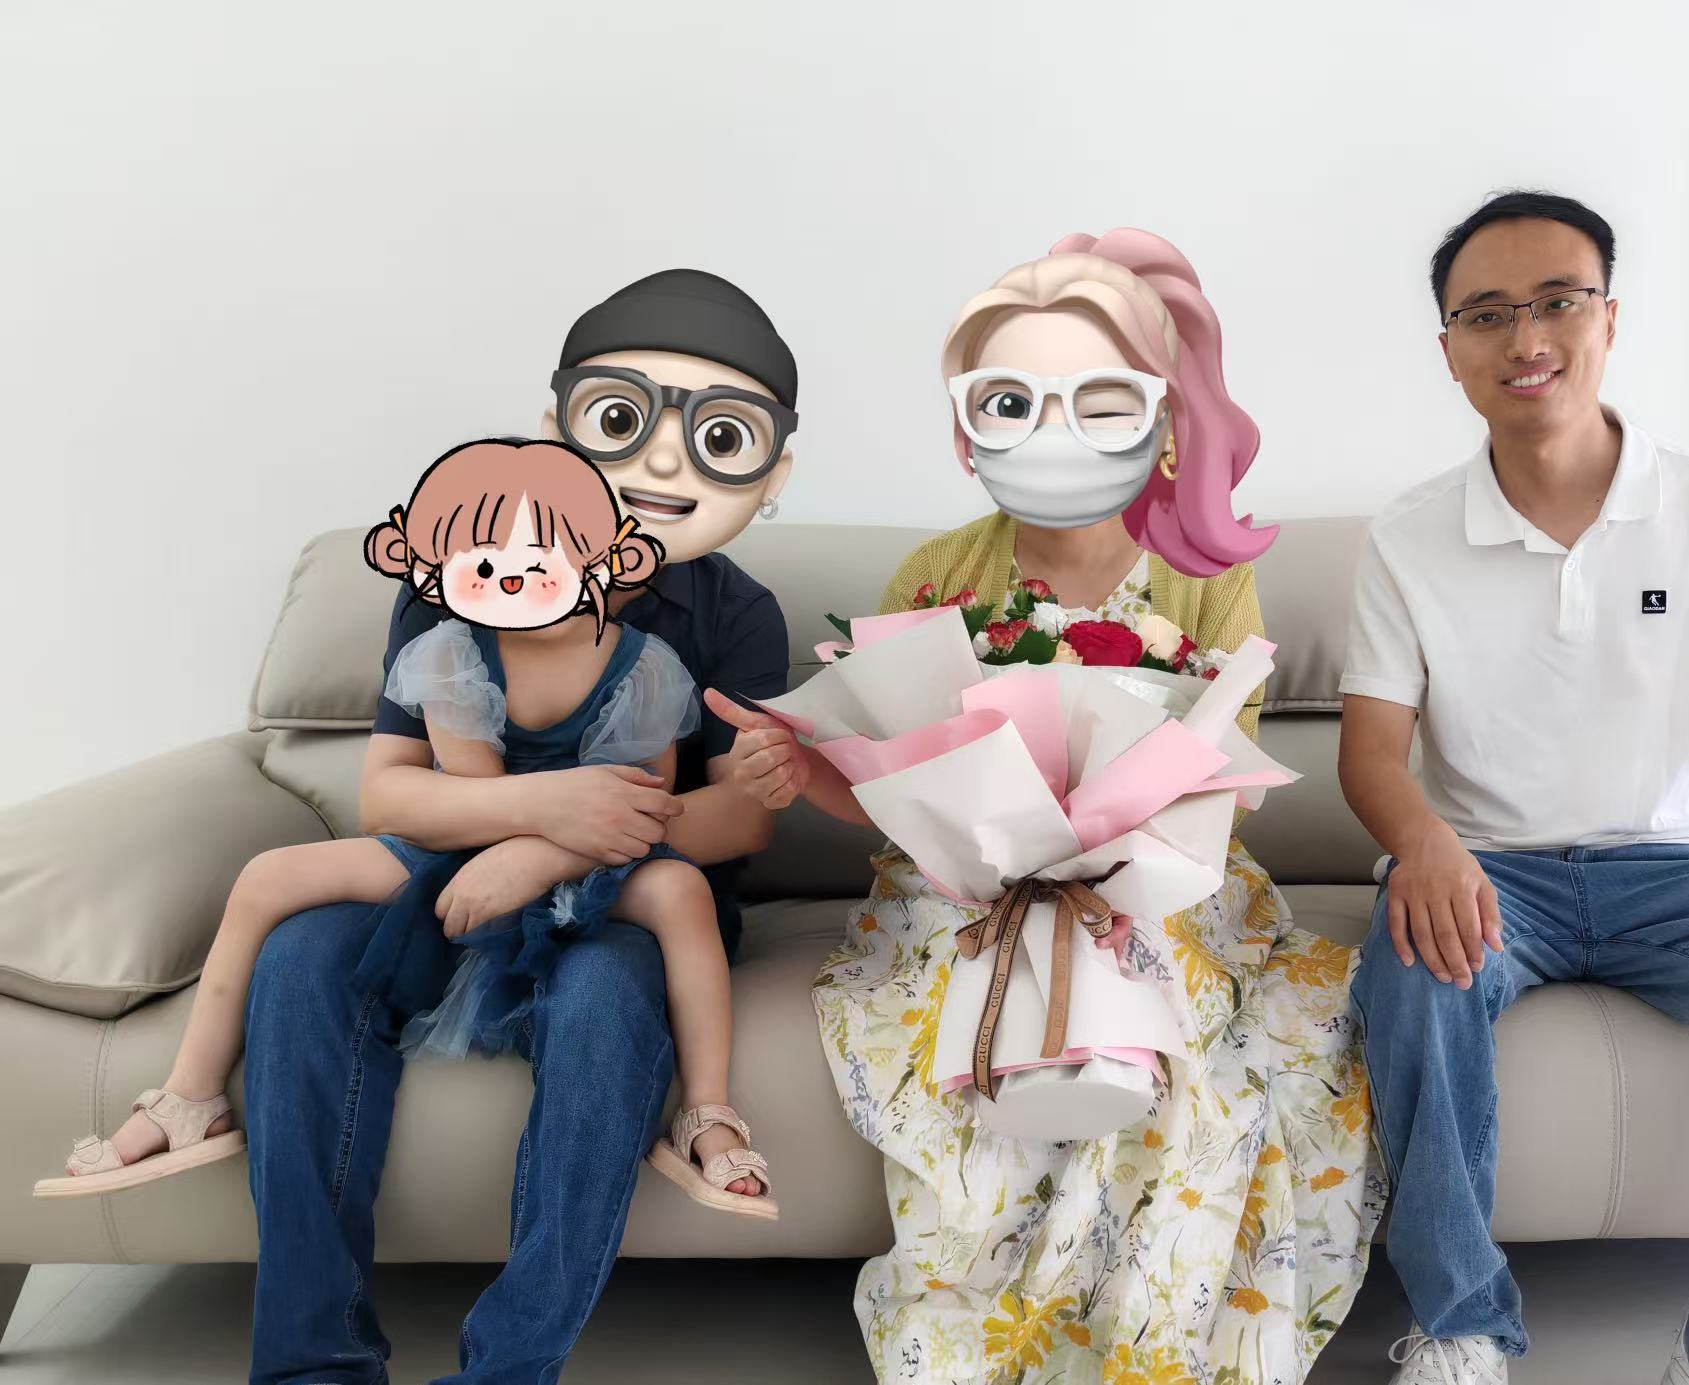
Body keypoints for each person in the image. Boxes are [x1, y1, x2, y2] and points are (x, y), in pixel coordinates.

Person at [713, 229, 1383, 1385]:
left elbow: (1224, 781)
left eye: (1097, 398)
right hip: (960, 887)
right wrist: (800, 767)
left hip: (1158, 877)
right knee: (990, 1023)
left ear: (1158, 415)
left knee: (1188, 1034)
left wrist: (1099, 853)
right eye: (1013, 399)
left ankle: (1150, 1344)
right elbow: (888, 788)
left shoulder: (1206, 574)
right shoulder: (937, 573)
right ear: (971, 425)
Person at [1339, 191, 1689, 1385]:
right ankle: (1459, 1325)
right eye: (1486, 314)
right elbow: (1367, 752)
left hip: (1676, 867)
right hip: (1489, 871)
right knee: (1407, 963)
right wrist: (1424, 844)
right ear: (1449, 351)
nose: (1525, 337)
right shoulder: (1406, 535)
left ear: (1607, 318)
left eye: (1556, 300)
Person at [241, 270, 799, 1383]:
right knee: (300, 957)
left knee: (603, 991)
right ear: (557, 429)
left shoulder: (733, 613)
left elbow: (741, 818)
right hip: (439, 880)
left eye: (717, 435)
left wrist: (553, 849)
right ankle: (311, 1361)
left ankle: (508, 1369)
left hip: (621, 908)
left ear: (770, 473)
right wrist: (537, 808)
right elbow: (389, 796)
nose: (661, 463)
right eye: (623, 417)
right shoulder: (458, 578)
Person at [41, 439, 771, 1217]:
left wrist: (548, 851)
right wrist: (540, 820)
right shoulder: (447, 651)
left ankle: (708, 1111)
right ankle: (190, 1095)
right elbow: (471, 802)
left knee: (682, 894)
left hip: (598, 860)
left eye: (540, 560)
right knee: (266, 876)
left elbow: (641, 809)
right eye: (484, 565)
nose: (511, 579)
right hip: (464, 847)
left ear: (607, 560)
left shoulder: (651, 665)